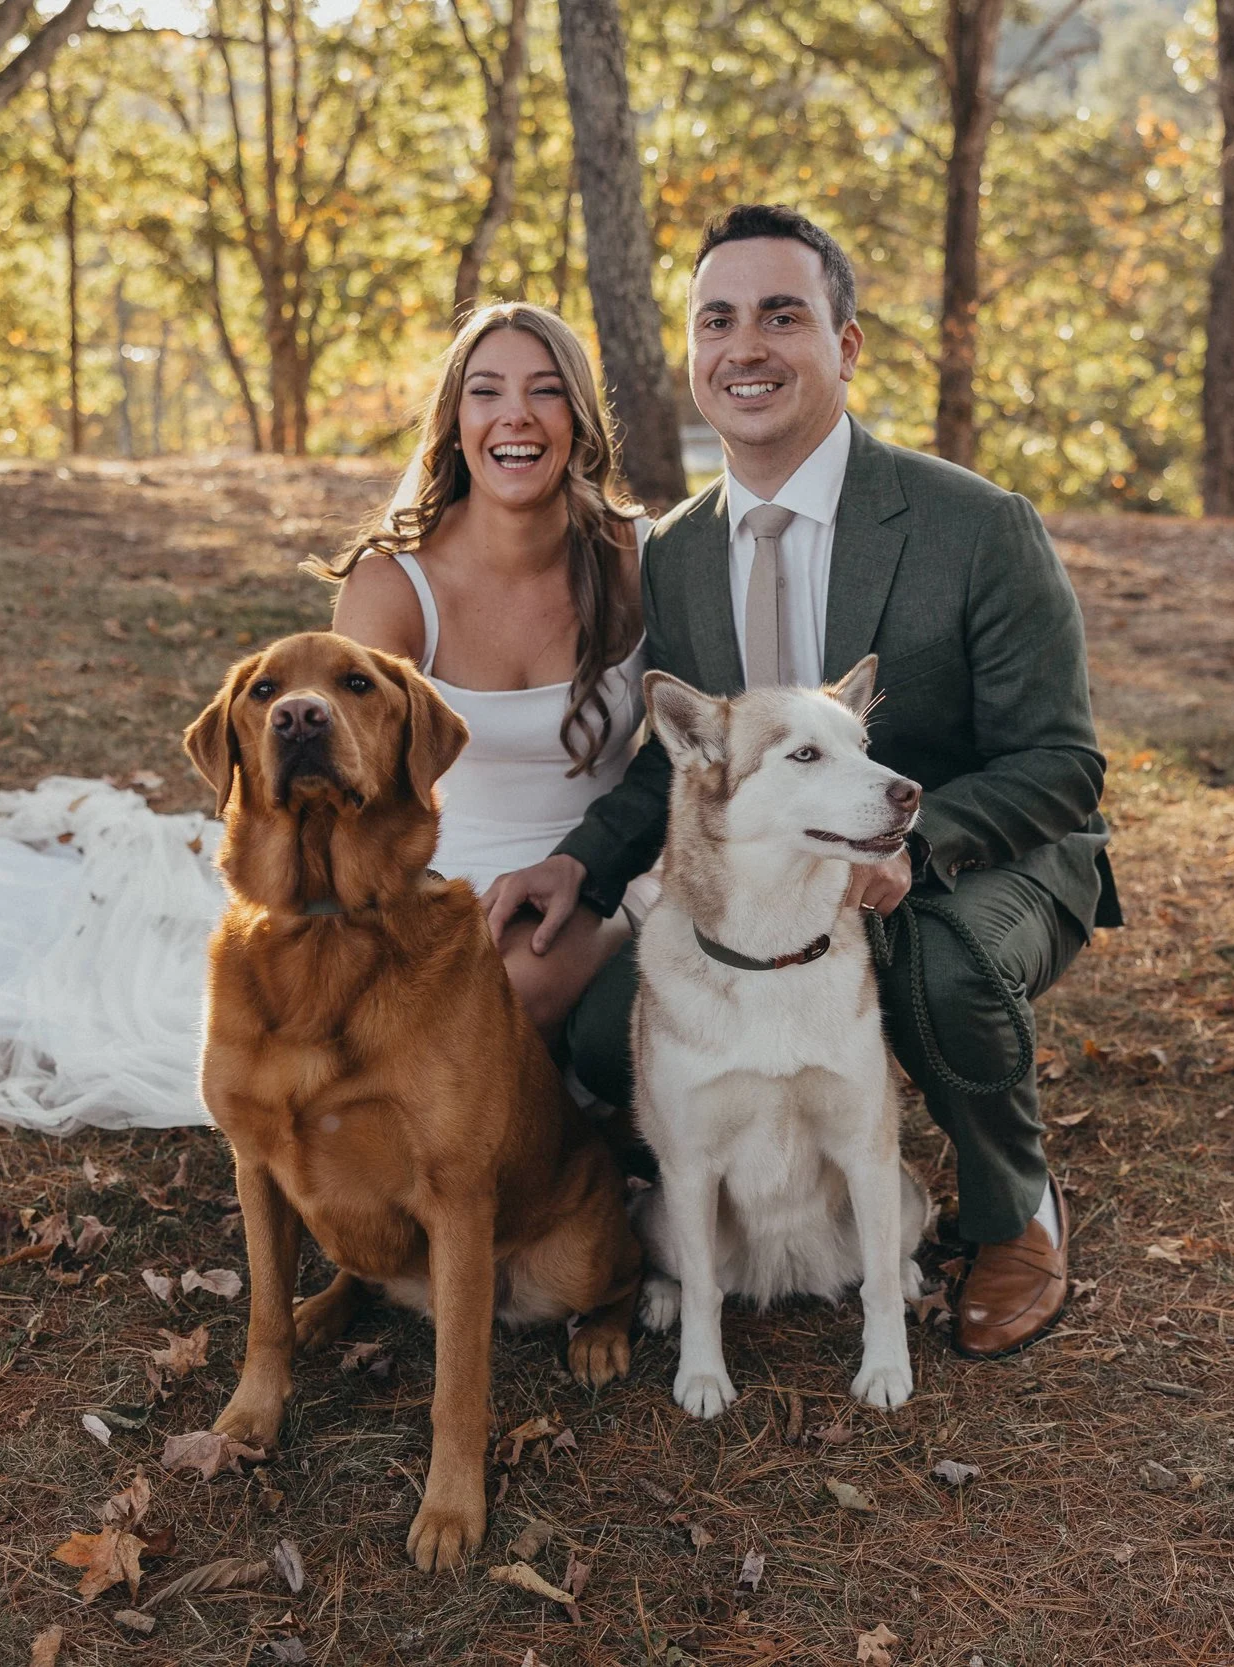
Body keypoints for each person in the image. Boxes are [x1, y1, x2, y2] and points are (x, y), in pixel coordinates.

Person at [484, 205, 1122, 1360]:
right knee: (596, 1026)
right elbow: (680, 763)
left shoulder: (974, 526)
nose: (746, 347)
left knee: (938, 966)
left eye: (782, 315)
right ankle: (731, 1198)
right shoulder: (674, 549)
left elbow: (1062, 762)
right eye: (716, 320)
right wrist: (577, 863)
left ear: (845, 344)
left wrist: (906, 851)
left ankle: (1009, 1206)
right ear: (689, 352)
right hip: (776, 877)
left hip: (976, 855)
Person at [315, 302, 653, 1043]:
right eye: (487, 391)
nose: (516, 417)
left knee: (501, 995)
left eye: (545, 390)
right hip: (440, 882)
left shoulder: (641, 556)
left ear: (580, 417)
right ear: (455, 420)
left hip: (603, 872)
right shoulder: (394, 586)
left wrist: (594, 867)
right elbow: (357, 800)